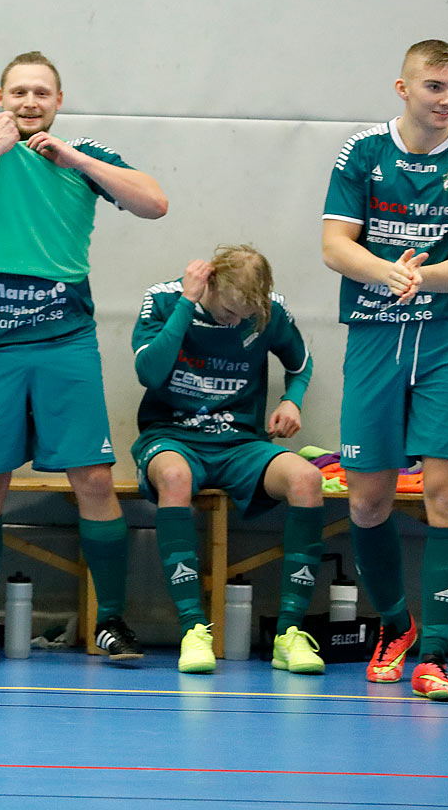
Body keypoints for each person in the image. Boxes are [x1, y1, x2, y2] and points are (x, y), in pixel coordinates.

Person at [0, 51, 168, 663]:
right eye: (19, 93)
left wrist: (73, 157)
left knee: (91, 475)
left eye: (42, 94)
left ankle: (110, 621)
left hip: (65, 335)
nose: (30, 102)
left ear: (58, 102)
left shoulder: (81, 156)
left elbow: (154, 203)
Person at [320, 39, 448, 702]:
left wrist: (422, 278)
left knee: (447, 496)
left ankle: (435, 656)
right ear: (403, 89)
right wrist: (387, 273)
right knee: (368, 499)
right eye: (435, 87)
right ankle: (395, 627)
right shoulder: (362, 152)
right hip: (374, 337)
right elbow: (334, 244)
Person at [130, 246, 325, 675]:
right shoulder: (164, 299)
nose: (235, 321)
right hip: (172, 436)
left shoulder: (268, 311)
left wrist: (292, 402)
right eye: (229, 310)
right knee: (176, 477)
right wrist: (187, 302)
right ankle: (192, 630)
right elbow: (150, 372)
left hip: (241, 444)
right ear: (211, 282)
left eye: (245, 314)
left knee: (308, 480)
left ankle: (290, 636)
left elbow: (301, 366)